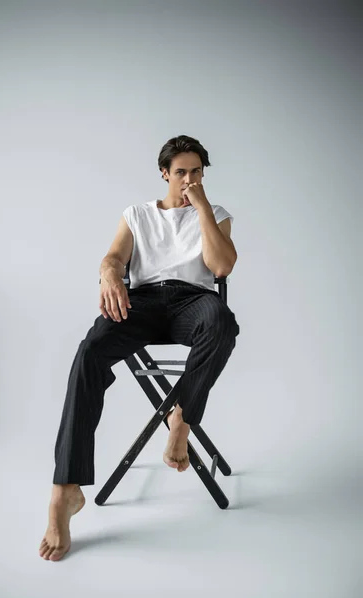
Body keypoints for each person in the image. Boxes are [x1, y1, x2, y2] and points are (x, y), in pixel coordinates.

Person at [39, 134, 240, 561]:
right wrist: (110, 273)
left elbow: (220, 267)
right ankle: (65, 491)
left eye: (197, 171)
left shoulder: (216, 214)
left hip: (193, 301)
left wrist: (202, 207)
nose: (188, 179)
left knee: (222, 322)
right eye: (181, 171)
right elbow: (113, 257)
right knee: (89, 352)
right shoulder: (137, 214)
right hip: (144, 301)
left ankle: (180, 421)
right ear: (164, 173)